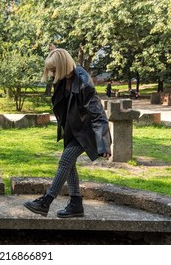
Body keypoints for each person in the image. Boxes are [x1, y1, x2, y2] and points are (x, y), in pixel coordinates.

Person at [24, 48, 112, 218]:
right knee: (69, 165)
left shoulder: (84, 82)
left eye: (54, 69)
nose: (52, 73)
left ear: (63, 66)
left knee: (65, 161)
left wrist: (104, 143)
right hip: (73, 131)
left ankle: (45, 201)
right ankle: (76, 204)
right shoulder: (63, 79)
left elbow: (98, 114)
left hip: (87, 133)